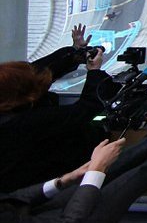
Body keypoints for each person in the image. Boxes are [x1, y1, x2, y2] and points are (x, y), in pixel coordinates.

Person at [0, 26, 111, 192]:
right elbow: (86, 111)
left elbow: (36, 71)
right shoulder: (31, 122)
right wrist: (95, 73)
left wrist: (74, 53)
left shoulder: (8, 103)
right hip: (37, 189)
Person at [0, 129, 147, 223]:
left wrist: (63, 180)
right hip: (76, 219)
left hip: (27, 213)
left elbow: (10, 199)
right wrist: (97, 168)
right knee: (139, 176)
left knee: (117, 164)